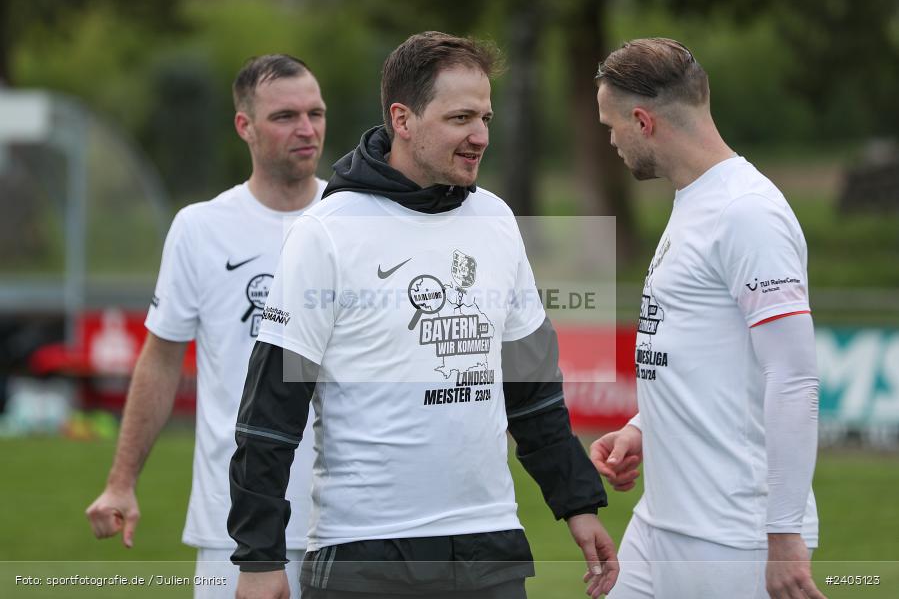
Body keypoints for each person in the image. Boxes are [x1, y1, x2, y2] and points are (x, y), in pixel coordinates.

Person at [228, 31, 619, 599]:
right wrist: (259, 558)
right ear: (403, 119)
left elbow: (532, 389)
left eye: (485, 117)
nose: (480, 136)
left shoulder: (497, 220)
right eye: (460, 118)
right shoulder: (326, 232)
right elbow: (269, 415)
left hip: (490, 547)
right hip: (365, 553)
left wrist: (577, 503)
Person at [86, 54, 328, 599]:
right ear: (245, 126)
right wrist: (121, 482)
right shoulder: (200, 228)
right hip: (233, 525)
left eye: (315, 113)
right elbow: (161, 360)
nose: (307, 128)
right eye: (285, 116)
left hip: (345, 519)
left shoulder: (353, 220)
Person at [590, 38, 824, 599]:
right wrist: (642, 427)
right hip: (662, 521)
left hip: (732, 535)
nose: (611, 140)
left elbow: (794, 377)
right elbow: (701, 350)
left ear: (642, 122)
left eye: (611, 126)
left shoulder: (747, 212)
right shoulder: (695, 200)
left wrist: (783, 534)